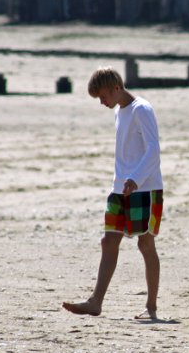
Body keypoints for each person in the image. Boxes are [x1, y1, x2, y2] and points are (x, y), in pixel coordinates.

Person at [63, 67, 163, 320]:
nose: (102, 102)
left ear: (116, 88)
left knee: (145, 244)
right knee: (108, 242)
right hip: (119, 188)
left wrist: (136, 179)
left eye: (103, 96)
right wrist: (123, 182)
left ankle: (151, 307)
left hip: (145, 188)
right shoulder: (120, 111)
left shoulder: (142, 109)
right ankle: (95, 302)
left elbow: (153, 150)